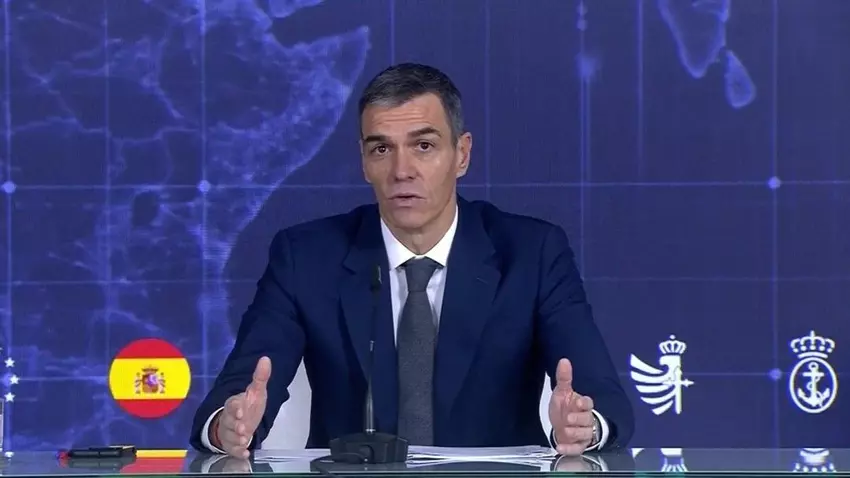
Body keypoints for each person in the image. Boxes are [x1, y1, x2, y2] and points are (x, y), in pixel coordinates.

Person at [190, 63, 634, 458]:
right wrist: (229, 427)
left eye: (423, 146)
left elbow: (604, 399)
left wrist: (586, 426)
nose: (402, 170)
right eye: (382, 149)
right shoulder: (306, 257)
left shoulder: (532, 253)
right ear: (364, 162)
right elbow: (237, 394)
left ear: (461, 155)